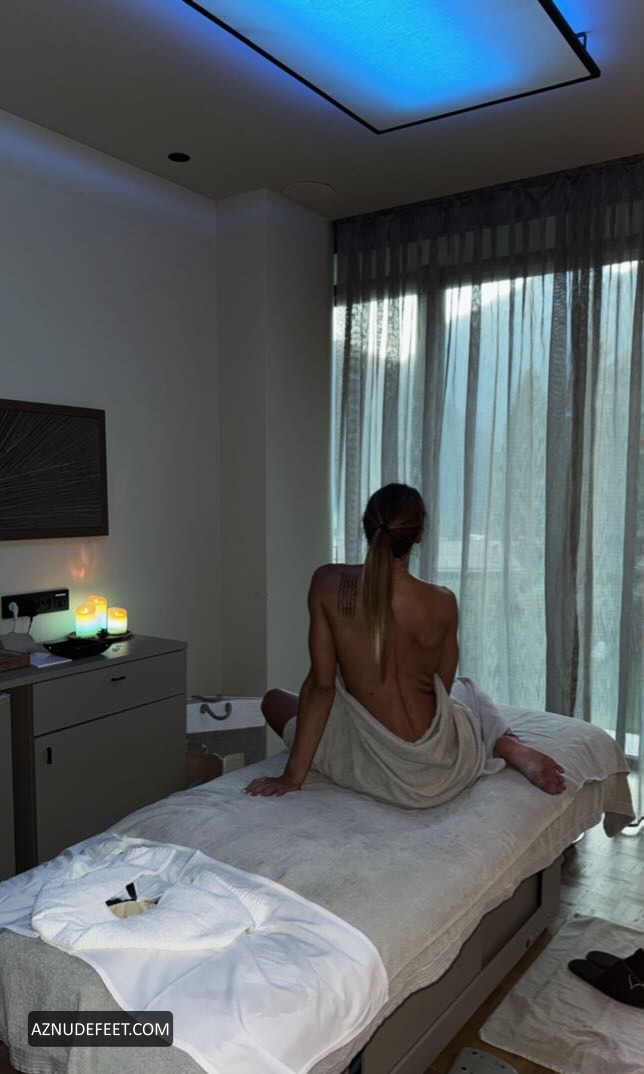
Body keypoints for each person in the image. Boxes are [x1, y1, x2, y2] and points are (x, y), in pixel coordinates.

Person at [245, 483, 565, 804]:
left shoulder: (326, 583)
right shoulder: (442, 602)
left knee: (274, 700)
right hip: (446, 764)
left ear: (366, 526)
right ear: (419, 534)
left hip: (384, 772)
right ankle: (505, 741)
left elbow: (321, 685)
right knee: (465, 689)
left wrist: (291, 777)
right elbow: (443, 688)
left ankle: (501, 741)